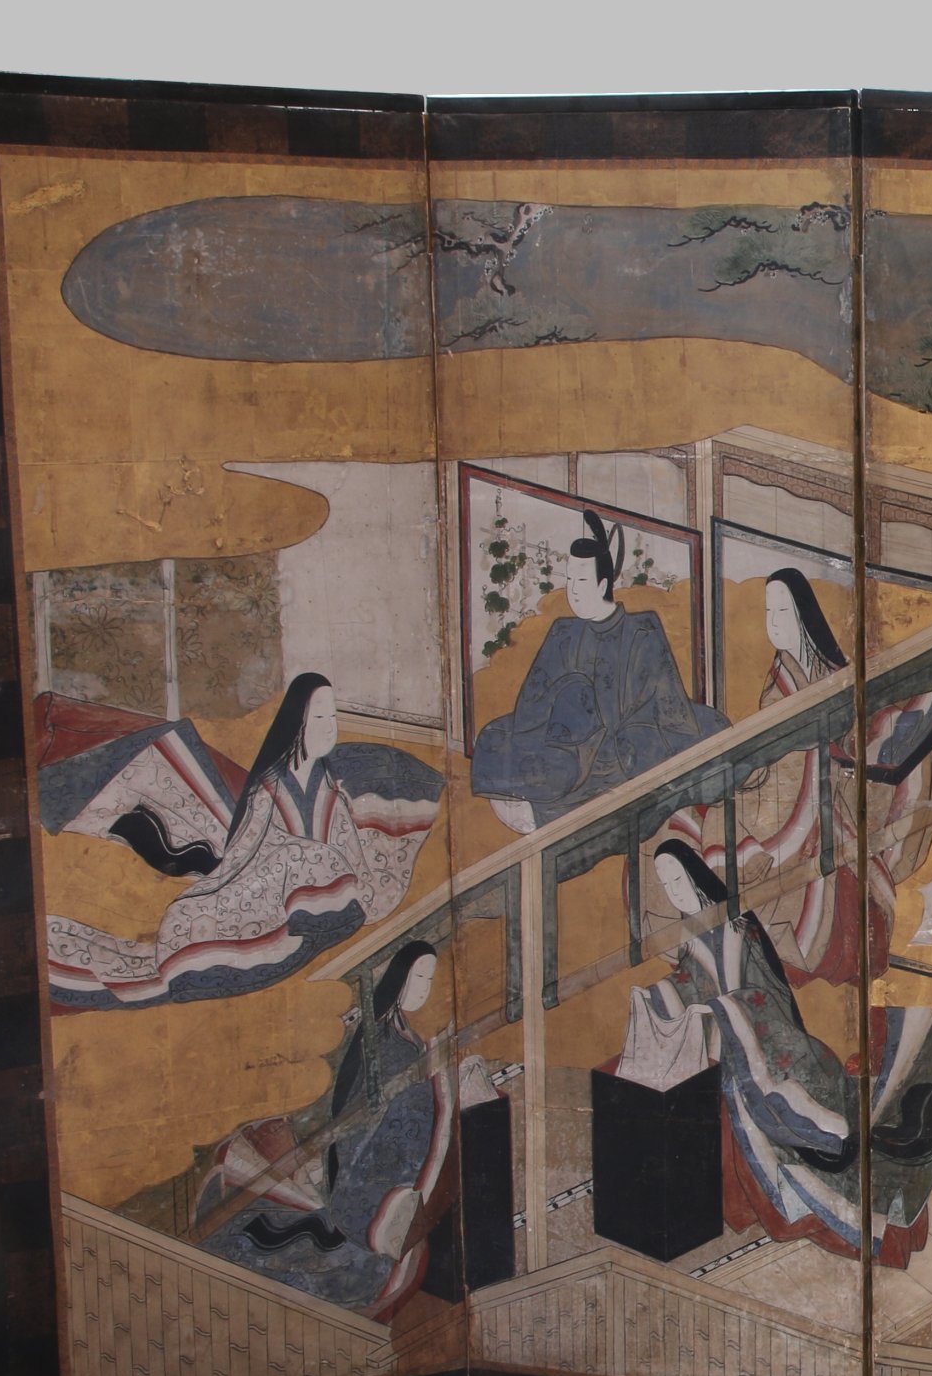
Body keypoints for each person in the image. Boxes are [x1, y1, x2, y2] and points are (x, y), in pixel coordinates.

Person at [647, 842, 932, 1266]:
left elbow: (746, 989)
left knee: (791, 1117)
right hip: (736, 1044)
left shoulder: (732, 928)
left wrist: (718, 1008)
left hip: (767, 1040)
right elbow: (692, 981)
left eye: (677, 879)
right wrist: (658, 995)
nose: (673, 891)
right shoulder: (689, 935)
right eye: (665, 884)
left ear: (695, 878)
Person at [39, 673, 443, 1011]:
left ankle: (309, 912)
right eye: (320, 716)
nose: (329, 727)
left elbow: (348, 857)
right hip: (264, 893)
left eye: (333, 717)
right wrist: (294, 860)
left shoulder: (331, 793)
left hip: (312, 907)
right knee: (276, 873)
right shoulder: (269, 787)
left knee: (319, 861)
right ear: (298, 722)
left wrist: (342, 875)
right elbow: (245, 852)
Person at [663, 569, 932, 991]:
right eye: (768, 612)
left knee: (725, 818)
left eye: (781, 611)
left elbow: (847, 730)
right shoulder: (779, 676)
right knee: (711, 811)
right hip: (783, 780)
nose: (772, 622)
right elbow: (775, 749)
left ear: (803, 616)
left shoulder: (834, 673)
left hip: (823, 785)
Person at [194, 940, 505, 1317]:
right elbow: (364, 1110)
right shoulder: (383, 1040)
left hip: (366, 1143)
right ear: (398, 978)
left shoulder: (407, 1039)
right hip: (357, 1152)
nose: (424, 989)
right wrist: (438, 1090)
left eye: (429, 979)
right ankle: (373, 1214)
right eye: (418, 977)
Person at [471, 511, 728, 833]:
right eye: (570, 581)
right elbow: (533, 698)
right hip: (565, 740)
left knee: (682, 744)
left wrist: (603, 720)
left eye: (581, 581)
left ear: (603, 583)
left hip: (620, 739)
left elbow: (662, 700)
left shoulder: (640, 630)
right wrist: (567, 705)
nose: (573, 591)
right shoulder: (563, 631)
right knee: (493, 737)